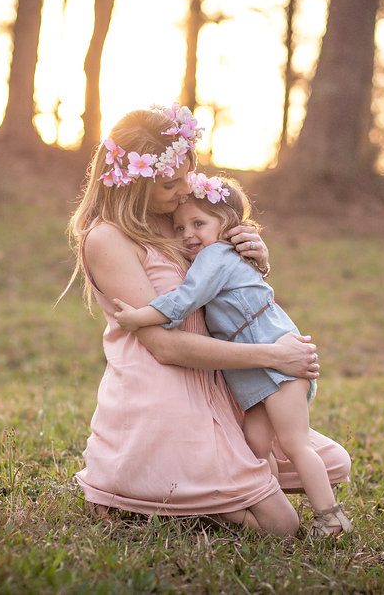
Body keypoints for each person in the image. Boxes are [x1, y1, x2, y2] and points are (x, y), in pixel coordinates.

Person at [65, 103, 351, 537]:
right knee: (281, 526)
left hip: (215, 381)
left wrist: (253, 259)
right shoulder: (107, 238)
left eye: (187, 174)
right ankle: (148, 487)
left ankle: (191, 487)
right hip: (163, 394)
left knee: (330, 462)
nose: (184, 189)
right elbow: (165, 346)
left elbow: (222, 287)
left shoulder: (178, 220)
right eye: (169, 183)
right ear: (134, 183)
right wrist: (273, 356)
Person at [111, 173, 352, 536]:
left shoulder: (216, 254)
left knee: (294, 443)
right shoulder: (210, 253)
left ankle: (331, 517)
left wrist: (139, 316)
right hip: (253, 372)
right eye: (179, 227)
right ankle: (271, 502)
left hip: (279, 361)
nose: (187, 234)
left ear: (228, 225)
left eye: (198, 223)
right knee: (256, 443)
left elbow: (185, 299)